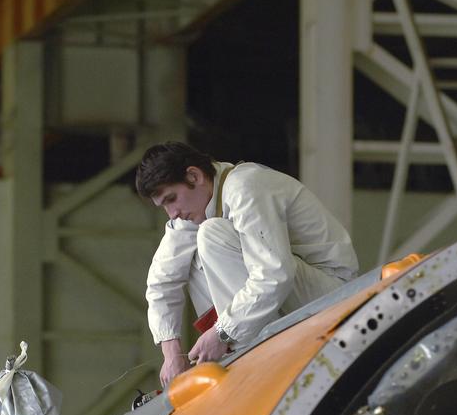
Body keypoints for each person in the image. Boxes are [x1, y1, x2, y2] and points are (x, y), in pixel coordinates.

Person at [135, 141, 358, 387]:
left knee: (211, 235)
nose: (173, 213)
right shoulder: (194, 208)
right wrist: (172, 355)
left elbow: (274, 274)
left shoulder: (244, 187)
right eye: (164, 206)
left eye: (172, 199)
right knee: (191, 255)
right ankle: (238, 350)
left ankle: (249, 353)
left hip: (333, 297)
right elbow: (161, 280)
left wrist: (222, 332)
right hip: (293, 298)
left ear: (194, 176)